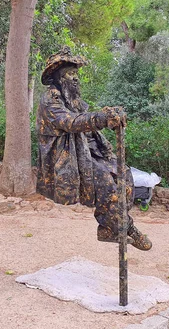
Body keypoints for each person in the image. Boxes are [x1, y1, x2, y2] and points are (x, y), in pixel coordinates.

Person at [36, 48, 152, 251]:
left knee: (124, 174)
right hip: (69, 156)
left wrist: (109, 119)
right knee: (106, 182)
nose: (74, 79)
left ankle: (116, 228)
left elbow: (85, 124)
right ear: (57, 75)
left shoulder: (73, 98)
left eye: (76, 74)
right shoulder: (51, 98)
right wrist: (101, 118)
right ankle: (123, 228)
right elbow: (70, 122)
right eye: (69, 74)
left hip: (88, 150)